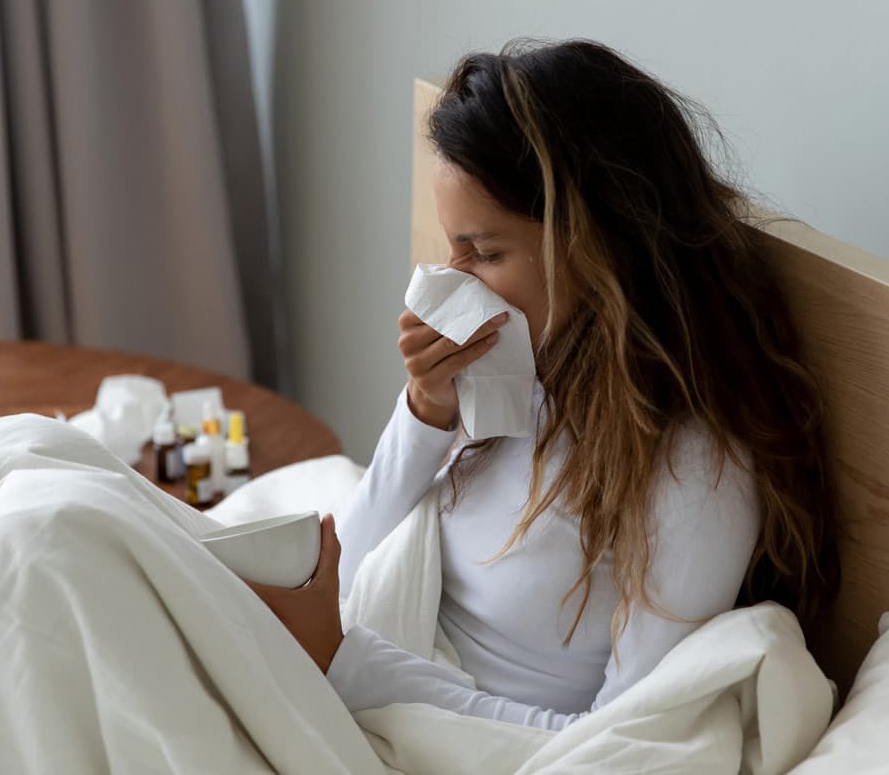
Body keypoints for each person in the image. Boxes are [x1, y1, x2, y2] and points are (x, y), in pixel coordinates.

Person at [249, 38, 840, 731]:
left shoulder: (693, 468)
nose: (451, 280)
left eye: (486, 252)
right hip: (372, 664)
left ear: (598, 239)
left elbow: (610, 743)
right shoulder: (516, 362)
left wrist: (348, 668)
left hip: (444, 727)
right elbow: (351, 568)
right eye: (451, 247)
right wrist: (425, 412)